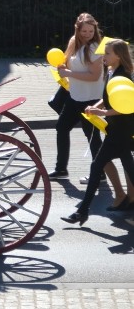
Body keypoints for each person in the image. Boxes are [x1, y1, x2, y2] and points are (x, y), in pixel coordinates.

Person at [61, 39, 134, 226]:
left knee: (97, 166)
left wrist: (102, 112)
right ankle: (85, 211)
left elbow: (125, 106)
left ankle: (82, 211)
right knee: (122, 166)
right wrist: (96, 106)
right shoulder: (110, 71)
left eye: (107, 53)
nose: (103, 56)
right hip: (117, 129)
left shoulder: (124, 75)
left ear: (118, 55)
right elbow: (108, 98)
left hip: (122, 129)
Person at [48, 13, 105, 180]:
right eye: (84, 31)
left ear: (95, 30)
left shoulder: (95, 48)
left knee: (92, 136)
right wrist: (61, 68)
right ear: (77, 30)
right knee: (62, 128)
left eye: (91, 31)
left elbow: (94, 76)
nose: (87, 34)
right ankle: (61, 169)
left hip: (92, 98)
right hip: (75, 96)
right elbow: (64, 61)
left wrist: (69, 73)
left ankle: (100, 173)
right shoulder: (73, 42)